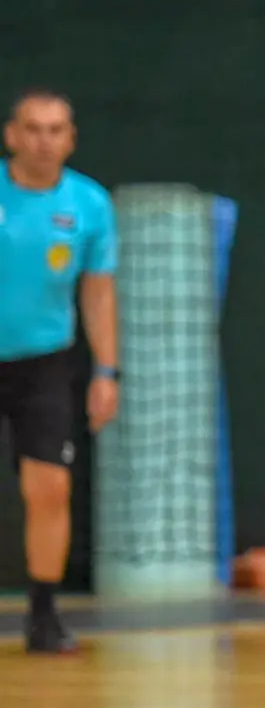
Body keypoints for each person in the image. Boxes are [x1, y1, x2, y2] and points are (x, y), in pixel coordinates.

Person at [1, 89, 120, 654]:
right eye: (32, 129)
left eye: (55, 130)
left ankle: (44, 616)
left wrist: (107, 371)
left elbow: (98, 292)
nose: (43, 141)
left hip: (44, 364)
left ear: (70, 139)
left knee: (49, 487)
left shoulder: (89, 204)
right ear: (12, 136)